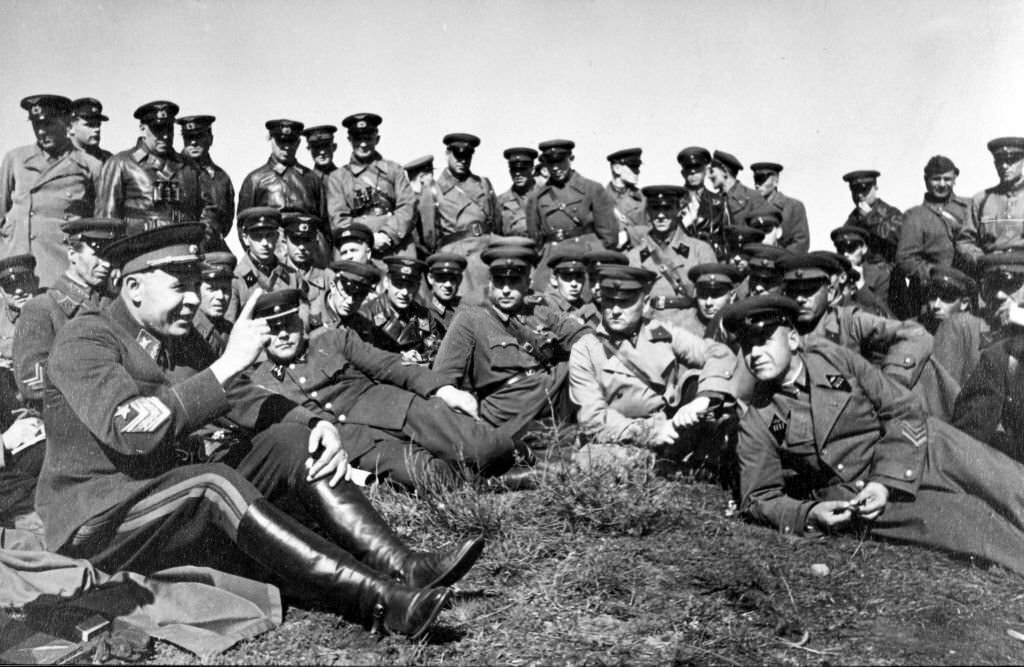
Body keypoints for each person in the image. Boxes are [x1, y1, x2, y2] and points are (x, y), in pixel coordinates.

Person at [37, 223, 480, 640]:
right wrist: (227, 363)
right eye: (179, 286)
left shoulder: (178, 337)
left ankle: (402, 565)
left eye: (196, 284)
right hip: (101, 522)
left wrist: (315, 424)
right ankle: (381, 601)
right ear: (133, 288)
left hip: (165, 498)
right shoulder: (87, 338)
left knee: (290, 442)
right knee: (213, 483)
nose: (192, 298)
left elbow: (244, 398)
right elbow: (131, 430)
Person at [726, 294, 1024, 578]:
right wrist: (811, 513)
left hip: (921, 444)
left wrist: (885, 480)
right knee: (974, 524)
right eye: (746, 346)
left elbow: (903, 408)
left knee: (1010, 485)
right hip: (864, 495)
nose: (755, 354)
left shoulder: (834, 359)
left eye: (764, 341)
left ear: (792, 339)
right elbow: (759, 499)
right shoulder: (757, 420)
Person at [250, 288, 523, 487]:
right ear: (261, 335)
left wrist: (443, 390)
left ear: (300, 323)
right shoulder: (259, 382)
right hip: (360, 445)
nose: (283, 334)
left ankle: (524, 453)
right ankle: (494, 484)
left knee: (486, 447)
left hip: (399, 410)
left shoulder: (333, 340)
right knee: (428, 476)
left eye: (288, 325)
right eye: (274, 329)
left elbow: (389, 365)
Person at [568, 264, 737, 475]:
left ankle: (682, 461)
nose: (616, 310)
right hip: (618, 438)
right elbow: (592, 419)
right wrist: (650, 432)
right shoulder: (586, 349)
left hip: (671, 429)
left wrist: (704, 397)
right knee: (592, 459)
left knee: (697, 380)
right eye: (610, 301)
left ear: (645, 302)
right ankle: (666, 465)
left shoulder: (661, 331)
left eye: (626, 302)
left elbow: (719, 353)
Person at [432, 243, 592, 435]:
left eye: (514, 281)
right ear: (490, 283)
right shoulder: (470, 320)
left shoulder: (541, 313)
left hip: (552, 398)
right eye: (500, 281)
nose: (506, 289)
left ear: (527, 283)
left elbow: (586, 337)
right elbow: (442, 378)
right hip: (509, 412)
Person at [778, 252, 959, 419]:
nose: (800, 299)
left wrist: (889, 384)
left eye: (809, 290)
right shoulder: (778, 331)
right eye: (794, 291)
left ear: (830, 293)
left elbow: (915, 333)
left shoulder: (849, 321)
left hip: (852, 415)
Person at [14, 218, 123, 410]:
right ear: (72, 254)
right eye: (98, 255)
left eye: (110, 256)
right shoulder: (41, 309)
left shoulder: (114, 304)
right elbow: (32, 381)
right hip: (65, 421)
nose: (106, 264)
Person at [1, 95, 103, 288]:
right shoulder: (15, 159)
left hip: (59, 264)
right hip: (16, 264)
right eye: (36, 125)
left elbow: (100, 223)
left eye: (48, 124)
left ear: (66, 122)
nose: (41, 132)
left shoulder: (89, 166)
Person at [96, 100, 207, 231]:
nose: (165, 136)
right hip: (139, 245)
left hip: (183, 243)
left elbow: (206, 210)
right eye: (158, 130)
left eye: (169, 129)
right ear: (143, 130)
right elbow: (106, 220)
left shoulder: (189, 167)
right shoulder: (120, 164)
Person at [526, 139, 618, 292]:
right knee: (541, 297)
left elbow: (609, 237)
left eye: (560, 161)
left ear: (571, 159)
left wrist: (594, 254)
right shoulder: (537, 197)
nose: (555, 167)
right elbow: (534, 240)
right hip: (552, 259)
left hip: (586, 257)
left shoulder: (592, 189)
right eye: (550, 162)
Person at [418, 133, 500, 303]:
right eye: (458, 155)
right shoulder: (433, 190)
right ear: (447, 154)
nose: (462, 160)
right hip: (455, 261)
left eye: (467, 156)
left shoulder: (484, 184)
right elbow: (429, 238)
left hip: (485, 257)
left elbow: (497, 224)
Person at [237, 118, 329, 262]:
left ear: (298, 143)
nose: (286, 147)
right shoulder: (255, 180)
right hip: (274, 251)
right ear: (270, 140)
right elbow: (242, 225)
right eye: (281, 142)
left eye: (291, 142)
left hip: (309, 250)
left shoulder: (311, 179)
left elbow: (324, 224)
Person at [895, 155, 976, 317]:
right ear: (926, 180)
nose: (942, 184)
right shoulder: (915, 217)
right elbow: (905, 259)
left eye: (947, 179)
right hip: (936, 298)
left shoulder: (970, 207)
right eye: (936, 179)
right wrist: (935, 275)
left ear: (955, 179)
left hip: (970, 294)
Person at [327, 113, 416, 259]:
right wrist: (368, 240)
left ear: (377, 139)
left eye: (368, 138)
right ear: (349, 140)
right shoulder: (338, 177)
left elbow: (407, 206)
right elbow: (338, 218)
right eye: (357, 138)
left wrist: (388, 235)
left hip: (395, 245)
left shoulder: (394, 170)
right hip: (356, 246)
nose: (363, 144)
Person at [626, 185, 717, 325]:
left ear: (678, 210)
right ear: (648, 212)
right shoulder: (634, 257)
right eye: (656, 209)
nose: (661, 216)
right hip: (649, 327)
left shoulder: (700, 250)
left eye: (667, 208)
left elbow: (714, 297)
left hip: (691, 327)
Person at [841, 169, 905, 317]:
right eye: (855, 190)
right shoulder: (852, 220)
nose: (859, 195)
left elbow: (900, 237)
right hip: (861, 279)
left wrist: (871, 217)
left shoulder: (890, 213)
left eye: (865, 190)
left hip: (889, 282)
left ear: (875, 188)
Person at [360, 257, 439, 365]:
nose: (404, 292)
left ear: (417, 287)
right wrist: (399, 358)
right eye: (398, 284)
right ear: (386, 282)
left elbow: (434, 349)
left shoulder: (423, 315)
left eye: (410, 285)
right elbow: (363, 357)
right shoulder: (367, 314)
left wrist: (421, 357)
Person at [916, 265, 987, 386]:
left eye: (946, 298)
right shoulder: (916, 326)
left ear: (964, 304)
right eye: (933, 297)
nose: (936, 305)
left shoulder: (972, 331)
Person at [177, 114, 235, 249]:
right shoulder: (171, 172)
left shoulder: (221, 178)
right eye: (188, 137)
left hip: (213, 247)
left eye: (198, 136)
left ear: (210, 139)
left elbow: (226, 221)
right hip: (181, 246)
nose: (193, 143)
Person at [963, 137, 1024, 258]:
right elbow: (965, 241)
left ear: (1022, 161)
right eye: (999, 161)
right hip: (991, 267)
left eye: (1011, 161)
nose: (1004, 166)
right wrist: (980, 258)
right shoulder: (981, 200)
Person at [233, 206, 300, 306]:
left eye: (269, 235)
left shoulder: (292, 276)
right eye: (257, 236)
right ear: (245, 239)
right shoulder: (236, 279)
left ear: (277, 237)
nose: (264, 243)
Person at [309, 260, 381, 340]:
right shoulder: (308, 316)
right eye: (346, 291)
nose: (350, 301)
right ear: (333, 286)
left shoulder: (363, 325)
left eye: (359, 295)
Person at [830, 225, 893, 317]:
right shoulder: (832, 275)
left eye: (851, 247)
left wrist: (861, 286)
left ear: (864, 249)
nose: (845, 254)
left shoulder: (880, 276)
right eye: (841, 249)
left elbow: (885, 315)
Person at [748, 162, 809, 253]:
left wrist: (778, 258)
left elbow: (801, 243)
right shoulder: (750, 207)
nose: (757, 185)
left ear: (775, 181)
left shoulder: (793, 207)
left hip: (785, 263)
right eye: (755, 180)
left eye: (762, 179)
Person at [707, 150, 767, 239]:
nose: (709, 176)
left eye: (712, 171)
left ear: (724, 171)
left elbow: (762, 235)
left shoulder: (753, 198)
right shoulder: (711, 201)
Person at [280, 208, 333, 309]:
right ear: (284, 241)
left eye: (307, 240)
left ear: (316, 242)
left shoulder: (328, 277)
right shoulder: (276, 276)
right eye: (295, 240)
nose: (301, 247)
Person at [193, 251, 238, 355]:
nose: (221, 296)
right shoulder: (189, 332)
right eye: (212, 289)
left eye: (225, 289)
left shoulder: (230, 330)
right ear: (196, 290)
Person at [605, 147, 645, 246]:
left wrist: (629, 235)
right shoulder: (598, 199)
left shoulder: (644, 199)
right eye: (633, 167)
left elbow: (656, 229)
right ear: (616, 169)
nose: (638, 171)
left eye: (638, 167)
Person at [497, 147, 538, 237]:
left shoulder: (544, 196)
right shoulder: (500, 202)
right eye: (514, 170)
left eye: (522, 169)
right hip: (513, 248)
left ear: (532, 169)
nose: (518, 174)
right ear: (510, 172)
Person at [540, 243, 589, 315]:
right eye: (567, 277)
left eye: (579, 276)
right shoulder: (544, 306)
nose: (574, 284)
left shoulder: (584, 306)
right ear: (553, 280)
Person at [424, 253, 466, 334]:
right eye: (442, 278)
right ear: (430, 278)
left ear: (459, 280)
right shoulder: (424, 313)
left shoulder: (468, 308)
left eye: (453, 279)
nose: (448, 285)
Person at [68, 97, 112, 163]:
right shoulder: (58, 158)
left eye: (98, 125)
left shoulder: (109, 159)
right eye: (90, 125)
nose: (97, 129)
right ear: (71, 128)